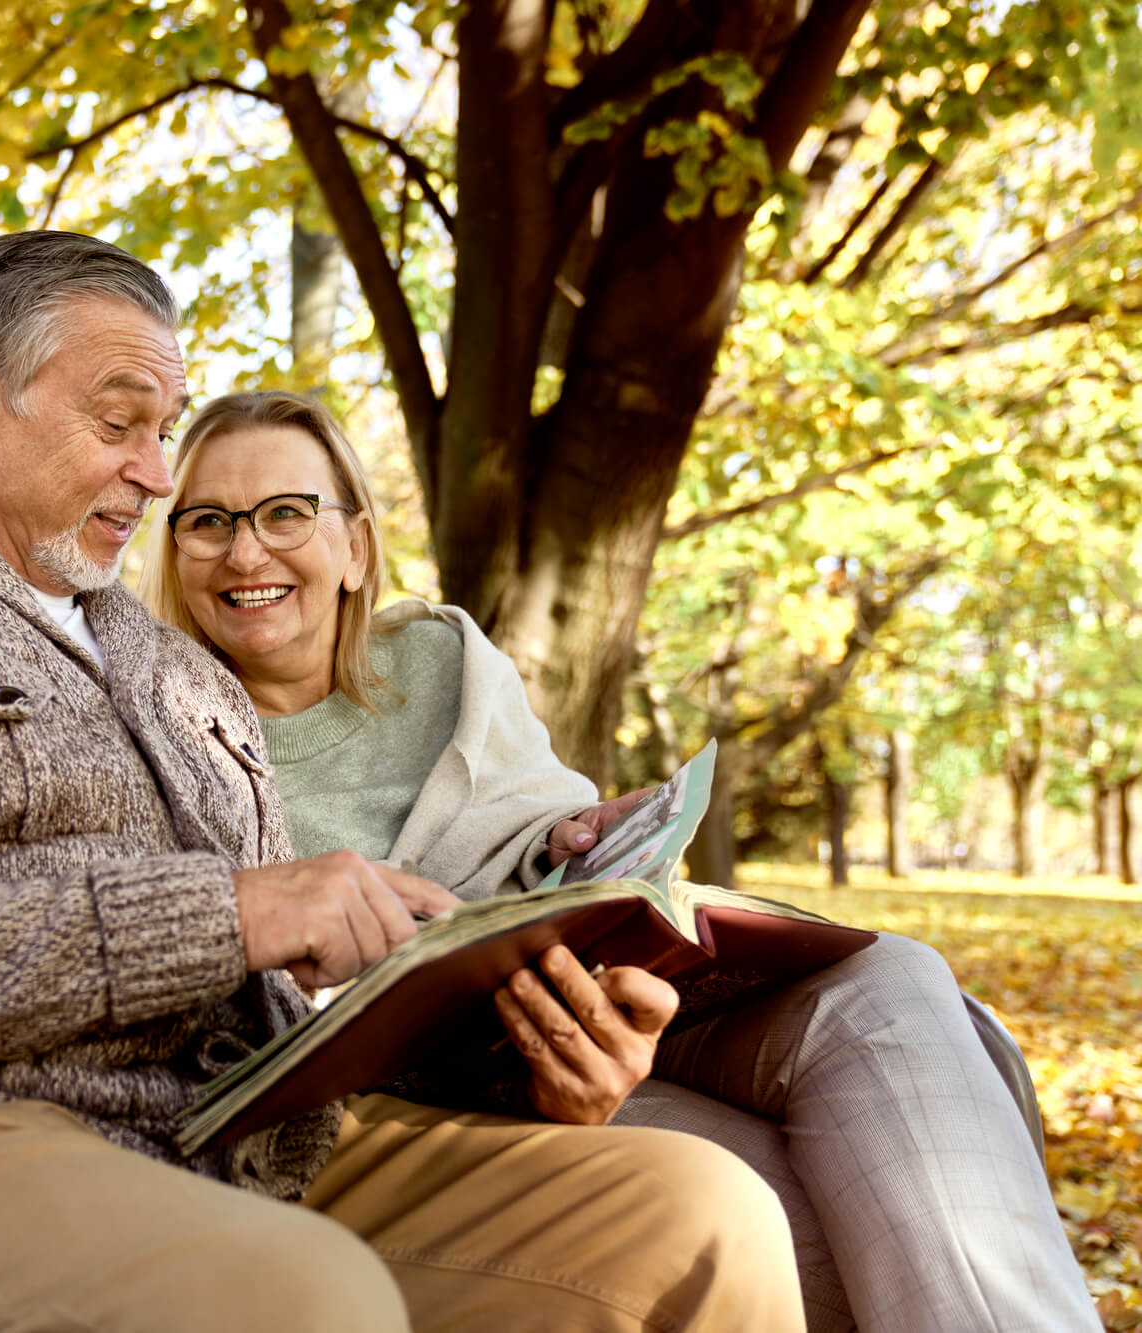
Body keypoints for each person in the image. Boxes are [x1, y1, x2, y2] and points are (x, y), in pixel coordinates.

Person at [0, 232, 809, 1333]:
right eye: (118, 424)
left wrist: (534, 1056)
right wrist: (233, 911)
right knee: (299, 1296)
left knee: (692, 1211)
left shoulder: (175, 668)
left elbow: (276, 1011)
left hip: (230, 1140)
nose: (154, 473)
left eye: (164, 430)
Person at [137, 388, 1100, 1333]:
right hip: (456, 1080)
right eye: (207, 520)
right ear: (175, 550)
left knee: (892, 977)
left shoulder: (442, 658)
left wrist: (572, 837)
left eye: (285, 513)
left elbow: (532, 819)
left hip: (611, 980)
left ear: (353, 546)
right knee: (833, 1207)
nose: (245, 549)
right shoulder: (159, 736)